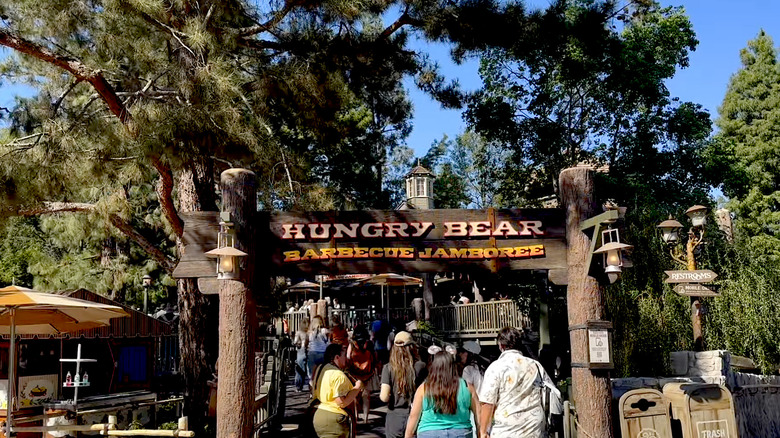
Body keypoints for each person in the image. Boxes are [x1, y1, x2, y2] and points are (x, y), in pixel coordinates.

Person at [478, 327, 557, 438]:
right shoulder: (535, 365)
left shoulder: (495, 367)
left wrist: (483, 431)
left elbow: (487, 403)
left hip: (507, 428)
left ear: (501, 345)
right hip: (534, 426)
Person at [405, 351, 480, 438]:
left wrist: (408, 435)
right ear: (453, 367)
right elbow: (478, 414)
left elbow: (413, 416)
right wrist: (480, 433)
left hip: (429, 433)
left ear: (434, 367)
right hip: (460, 432)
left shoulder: (424, 388)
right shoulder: (467, 387)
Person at [312, 343, 365, 438]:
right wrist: (357, 388)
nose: (346, 359)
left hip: (319, 414)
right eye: (344, 355)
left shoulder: (320, 369)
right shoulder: (338, 375)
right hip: (334, 419)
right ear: (337, 357)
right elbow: (342, 402)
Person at [380, 331, 427, 438]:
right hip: (415, 415)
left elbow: (384, 397)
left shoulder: (388, 368)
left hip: (394, 417)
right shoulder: (420, 366)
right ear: (412, 347)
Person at [347, 325, 377, 423]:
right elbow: (375, 357)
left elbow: (348, 357)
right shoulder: (369, 344)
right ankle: (366, 418)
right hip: (368, 374)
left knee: (354, 396)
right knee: (366, 397)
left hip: (354, 374)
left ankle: (355, 417)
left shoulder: (352, 344)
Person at [308, 315, 330, 381]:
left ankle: (312, 385)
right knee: (323, 372)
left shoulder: (310, 333)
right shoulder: (325, 331)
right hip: (322, 352)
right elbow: (328, 341)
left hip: (312, 352)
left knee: (312, 374)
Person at [294, 318, 310, 391]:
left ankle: (298, 386)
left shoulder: (299, 332)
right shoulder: (309, 333)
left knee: (299, 370)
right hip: (309, 351)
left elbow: (295, 341)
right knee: (306, 370)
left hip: (301, 351)